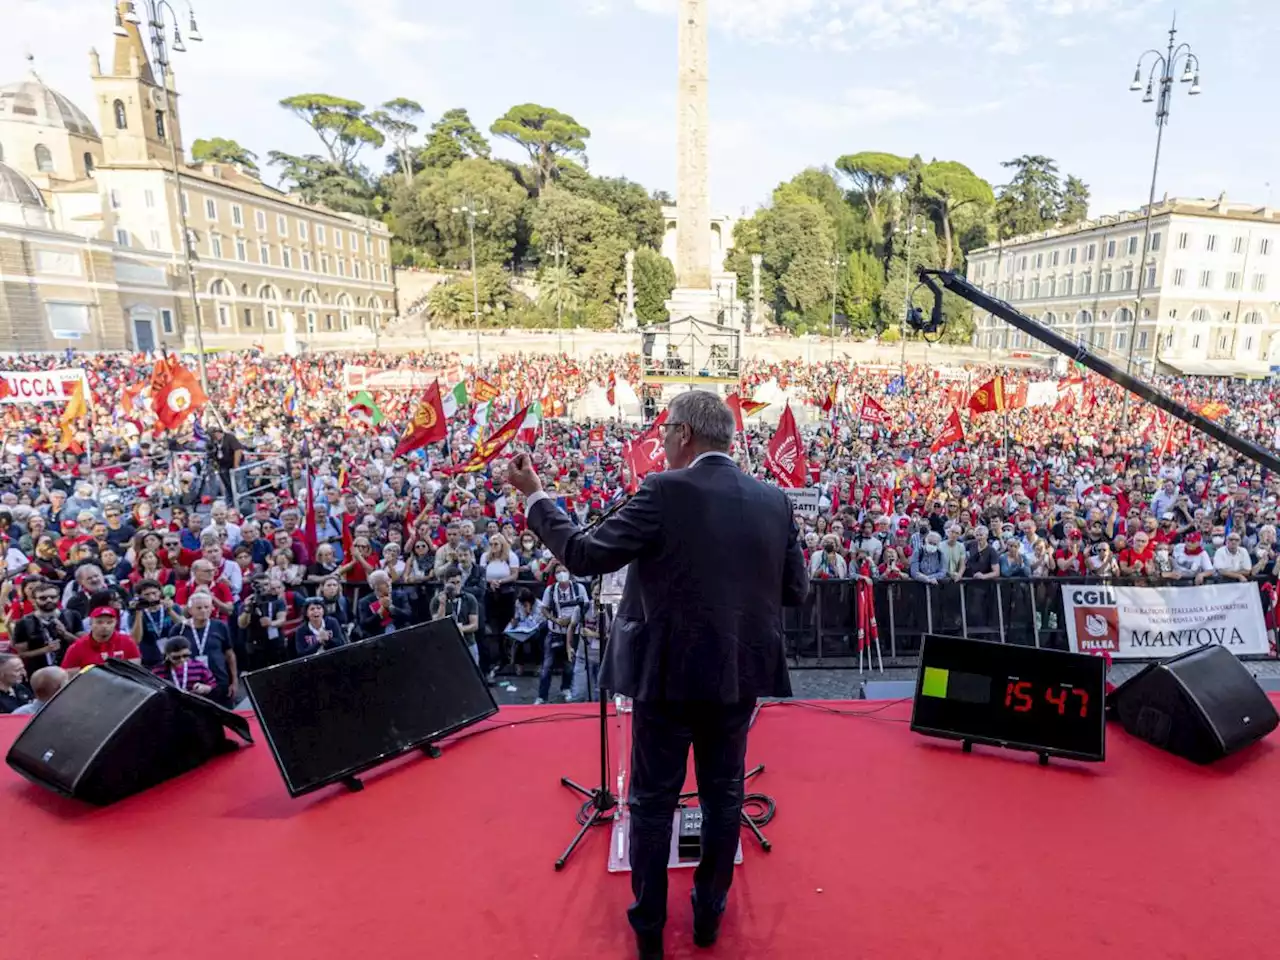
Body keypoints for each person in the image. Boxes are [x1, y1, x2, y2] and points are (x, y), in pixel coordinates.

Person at [509, 390, 807, 960]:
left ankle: (648, 929)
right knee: (724, 800)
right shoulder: (775, 500)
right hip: (736, 678)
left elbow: (586, 555)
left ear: (685, 437)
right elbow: (795, 590)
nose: (661, 437)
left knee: (651, 803)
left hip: (665, 679)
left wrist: (535, 497)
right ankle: (708, 918)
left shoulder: (663, 491)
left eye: (665, 428)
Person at [170, 592, 238, 705]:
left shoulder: (220, 626)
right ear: (190, 610)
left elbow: (229, 654)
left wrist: (234, 681)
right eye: (199, 608)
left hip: (219, 681)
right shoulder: (179, 629)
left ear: (212, 608)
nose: (203, 610)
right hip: (191, 683)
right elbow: (171, 658)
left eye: (207, 607)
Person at [60, 606, 142, 672]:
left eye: (109, 622)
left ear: (115, 623)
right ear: (91, 623)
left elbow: (136, 670)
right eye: (99, 622)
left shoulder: (127, 642)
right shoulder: (77, 647)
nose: (104, 626)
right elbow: (67, 675)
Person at [430, 565, 481, 663]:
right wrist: (442, 604)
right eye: (452, 583)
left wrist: (459, 629)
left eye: (458, 582)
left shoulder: (469, 599)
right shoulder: (436, 600)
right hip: (447, 644)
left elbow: (474, 625)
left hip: (468, 643)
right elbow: (437, 624)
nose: (456, 586)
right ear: (445, 583)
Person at [152, 636, 218, 696]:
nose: (182, 660)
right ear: (167, 656)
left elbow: (213, 686)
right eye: (176, 657)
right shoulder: (158, 671)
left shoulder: (199, 666)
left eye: (185, 655)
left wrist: (205, 688)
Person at [357, 569, 413, 637]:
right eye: (383, 582)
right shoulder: (365, 602)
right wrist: (379, 613)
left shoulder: (400, 595)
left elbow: (409, 614)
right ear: (375, 586)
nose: (388, 584)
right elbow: (364, 625)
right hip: (379, 640)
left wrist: (392, 608)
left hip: (402, 635)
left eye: (388, 580)